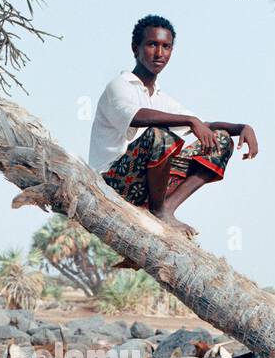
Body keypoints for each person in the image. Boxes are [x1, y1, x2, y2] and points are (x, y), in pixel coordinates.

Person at [88, 14, 258, 237]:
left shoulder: (159, 97)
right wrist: (189, 121)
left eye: (166, 47)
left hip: (143, 188)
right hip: (111, 183)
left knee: (220, 140)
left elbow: (203, 125)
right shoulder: (120, 86)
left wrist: (242, 127)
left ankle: (166, 209)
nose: (159, 53)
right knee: (160, 136)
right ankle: (159, 213)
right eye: (152, 44)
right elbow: (136, 116)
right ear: (135, 48)